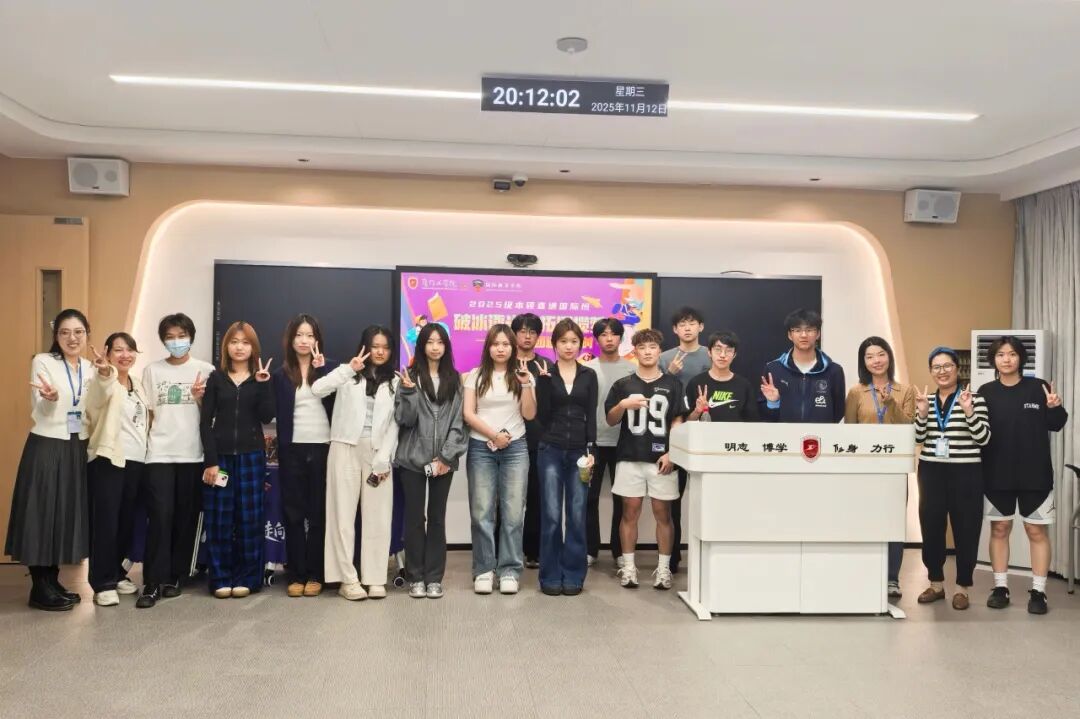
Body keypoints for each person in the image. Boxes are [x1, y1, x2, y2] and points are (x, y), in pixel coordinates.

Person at [6, 309, 93, 611]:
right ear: (56, 336)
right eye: (65, 332)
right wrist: (50, 398)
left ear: (87, 335)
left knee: (64, 512)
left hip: (77, 445)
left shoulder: (90, 368)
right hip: (47, 444)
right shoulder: (43, 361)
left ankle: (52, 581)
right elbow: (40, 409)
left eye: (79, 332)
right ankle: (39, 586)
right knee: (42, 511)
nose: (72, 338)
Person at [979, 336, 1068, 615]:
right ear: (993, 360)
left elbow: (1057, 424)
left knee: (1036, 530)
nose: (1006, 359)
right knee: (999, 529)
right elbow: (978, 431)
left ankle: (1039, 592)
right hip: (996, 473)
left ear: (1021, 358)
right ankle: (1000, 587)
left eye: (1012, 354)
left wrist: (1053, 406)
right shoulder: (985, 391)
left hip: (1035, 473)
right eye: (1000, 354)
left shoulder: (1038, 387)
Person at [312, 326, 400, 601]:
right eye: (375, 346)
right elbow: (317, 389)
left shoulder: (396, 381)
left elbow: (396, 423)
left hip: (377, 453)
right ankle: (347, 579)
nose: (380, 351)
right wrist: (349, 369)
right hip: (344, 447)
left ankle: (375, 578)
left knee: (378, 517)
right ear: (365, 346)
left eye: (385, 347)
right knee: (341, 516)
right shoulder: (347, 373)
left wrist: (384, 458)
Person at [138, 313, 214, 608]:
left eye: (181, 336)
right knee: (160, 516)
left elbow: (211, 417)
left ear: (191, 337)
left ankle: (175, 576)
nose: (176, 341)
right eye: (170, 337)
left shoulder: (206, 370)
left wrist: (199, 399)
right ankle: (152, 582)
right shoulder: (152, 370)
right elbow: (148, 413)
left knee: (185, 518)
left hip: (192, 454)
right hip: (158, 453)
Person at [605, 328, 688, 591]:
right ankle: (629, 567)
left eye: (652, 347)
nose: (648, 352)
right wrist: (623, 405)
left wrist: (672, 452)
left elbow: (677, 420)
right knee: (629, 511)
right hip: (630, 457)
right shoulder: (623, 384)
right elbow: (610, 419)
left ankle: (663, 569)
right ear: (635, 351)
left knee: (664, 513)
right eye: (642, 347)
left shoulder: (673, 384)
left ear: (659, 351)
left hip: (662, 459)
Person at [199, 321, 276, 599]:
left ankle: (248, 578)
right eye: (234, 342)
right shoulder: (216, 378)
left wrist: (264, 385)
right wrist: (211, 461)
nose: (239, 347)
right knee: (219, 519)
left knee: (249, 519)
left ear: (253, 348)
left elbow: (266, 416)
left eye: (245, 342)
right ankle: (220, 577)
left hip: (251, 458)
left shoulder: (261, 378)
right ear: (226, 346)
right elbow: (205, 422)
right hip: (220, 460)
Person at [913, 347, 990, 610]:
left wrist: (969, 411)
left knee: (966, 529)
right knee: (931, 527)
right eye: (936, 367)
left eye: (947, 366)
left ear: (957, 369)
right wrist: (923, 413)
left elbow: (984, 438)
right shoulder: (926, 399)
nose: (942, 371)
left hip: (966, 472)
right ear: (931, 371)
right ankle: (936, 583)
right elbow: (917, 438)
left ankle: (962, 588)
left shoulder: (974, 398)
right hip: (931, 471)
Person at [395, 323, 468, 599]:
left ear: (446, 346)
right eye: (429, 342)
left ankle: (434, 577)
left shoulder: (455, 379)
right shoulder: (410, 377)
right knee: (415, 519)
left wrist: (446, 456)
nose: (435, 347)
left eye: (440, 342)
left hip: (444, 462)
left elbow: (459, 423)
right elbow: (405, 420)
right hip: (412, 459)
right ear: (421, 346)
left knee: (437, 518)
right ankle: (415, 576)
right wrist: (408, 393)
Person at [464, 323, 538, 595]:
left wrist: (526, 384)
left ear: (513, 347)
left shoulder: (523, 375)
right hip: (481, 447)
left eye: (506, 344)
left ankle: (509, 570)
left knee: (513, 513)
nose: (501, 349)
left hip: (516, 448)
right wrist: (494, 435)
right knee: (481, 512)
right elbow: (468, 413)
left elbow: (529, 415)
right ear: (488, 347)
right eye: (496, 344)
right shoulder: (475, 375)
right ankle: (484, 569)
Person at [270, 314, 338, 598]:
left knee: (319, 513)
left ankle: (316, 573)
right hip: (292, 449)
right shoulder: (280, 375)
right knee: (293, 513)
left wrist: (323, 372)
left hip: (323, 447)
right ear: (290, 339)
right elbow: (270, 413)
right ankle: (296, 573)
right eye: (299, 335)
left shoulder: (330, 369)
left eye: (310, 335)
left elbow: (338, 407)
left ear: (317, 339)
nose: (304, 340)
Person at [843, 336, 915, 598]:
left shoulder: (905, 391)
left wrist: (890, 404)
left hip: (894, 468)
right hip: (866, 469)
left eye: (881, 354)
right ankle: (865, 574)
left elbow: (909, 428)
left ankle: (892, 578)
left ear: (889, 357)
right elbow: (849, 432)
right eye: (870, 356)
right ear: (863, 361)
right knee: (866, 520)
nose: (876, 360)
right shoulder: (856, 392)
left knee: (894, 522)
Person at [84, 333, 149, 607]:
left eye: (130, 350)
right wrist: (103, 374)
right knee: (106, 522)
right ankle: (102, 583)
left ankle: (117, 572)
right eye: (118, 350)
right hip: (109, 459)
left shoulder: (137, 384)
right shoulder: (103, 380)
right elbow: (95, 403)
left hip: (136, 461)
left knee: (126, 521)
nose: (125, 355)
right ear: (108, 353)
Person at [535, 318, 598, 596]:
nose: (569, 346)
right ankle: (549, 574)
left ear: (580, 344)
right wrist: (543, 384)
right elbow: (541, 416)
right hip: (550, 449)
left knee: (576, 514)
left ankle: (573, 574)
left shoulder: (589, 375)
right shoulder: (546, 373)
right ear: (554, 344)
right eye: (563, 341)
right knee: (550, 515)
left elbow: (591, 415)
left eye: (574, 341)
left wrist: (592, 450)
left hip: (579, 453)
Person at [657, 307, 711, 574]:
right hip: (675, 431)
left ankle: (707, 552)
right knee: (673, 497)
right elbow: (656, 392)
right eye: (682, 324)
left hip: (705, 433)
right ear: (675, 329)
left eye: (692, 323)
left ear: (701, 326)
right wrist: (670, 373)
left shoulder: (710, 354)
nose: (687, 328)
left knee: (707, 496)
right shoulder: (665, 357)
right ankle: (673, 555)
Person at [584, 318, 636, 567]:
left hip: (623, 442)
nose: (608, 339)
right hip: (593, 441)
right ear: (596, 339)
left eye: (613, 334)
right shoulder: (587, 369)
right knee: (588, 498)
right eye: (603, 334)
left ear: (620, 338)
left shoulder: (631, 369)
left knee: (622, 499)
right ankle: (589, 550)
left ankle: (619, 551)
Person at [758, 308, 845, 423]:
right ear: (790, 335)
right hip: (784, 434)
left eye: (809, 330)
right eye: (797, 330)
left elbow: (838, 411)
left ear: (818, 334)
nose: (804, 335)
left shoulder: (834, 371)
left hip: (820, 434)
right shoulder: (774, 369)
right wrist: (773, 403)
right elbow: (763, 413)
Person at [511, 312, 549, 568]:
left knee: (536, 498)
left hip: (538, 440)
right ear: (514, 334)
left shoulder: (546, 365)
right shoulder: (503, 361)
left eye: (532, 332)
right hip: (507, 439)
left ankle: (533, 551)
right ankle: (504, 550)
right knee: (507, 501)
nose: (527, 336)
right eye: (523, 331)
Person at [684, 331, 759, 423]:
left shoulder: (744, 386)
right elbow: (685, 423)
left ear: (734, 355)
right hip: (705, 433)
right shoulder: (696, 383)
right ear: (709, 352)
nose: (723, 355)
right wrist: (697, 411)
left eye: (728, 350)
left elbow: (753, 423)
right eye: (718, 349)